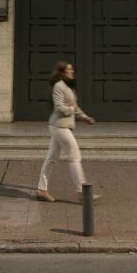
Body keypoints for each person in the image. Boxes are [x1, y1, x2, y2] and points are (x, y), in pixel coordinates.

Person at [36, 60, 98, 203]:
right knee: (74, 156)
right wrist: (71, 109)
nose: (72, 72)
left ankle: (41, 190)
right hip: (59, 126)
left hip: (61, 126)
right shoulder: (59, 86)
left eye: (72, 70)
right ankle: (82, 192)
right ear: (62, 72)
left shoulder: (69, 88)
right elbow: (59, 107)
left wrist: (85, 117)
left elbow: (75, 107)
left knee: (51, 159)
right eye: (69, 70)